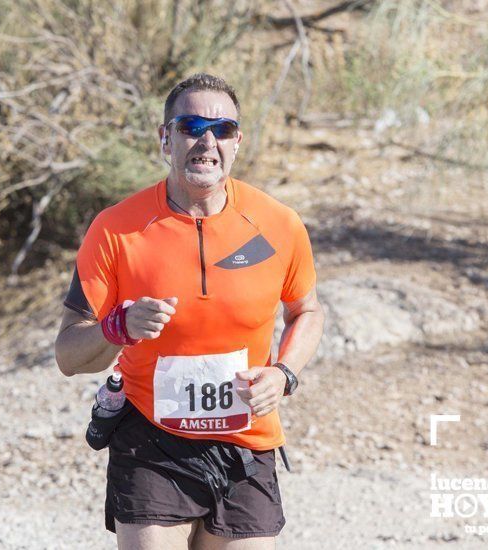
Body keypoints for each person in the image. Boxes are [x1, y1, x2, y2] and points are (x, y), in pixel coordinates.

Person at [54, 73, 325, 550]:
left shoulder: (278, 224)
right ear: (165, 138)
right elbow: (69, 355)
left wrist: (284, 374)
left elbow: (307, 311)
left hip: (247, 439)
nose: (206, 141)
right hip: (150, 440)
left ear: (237, 141)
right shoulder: (116, 229)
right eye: (190, 125)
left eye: (221, 129)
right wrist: (119, 327)